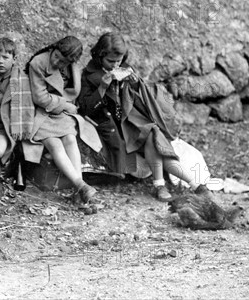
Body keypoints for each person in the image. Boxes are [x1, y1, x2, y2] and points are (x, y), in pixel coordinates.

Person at [77, 32, 212, 201]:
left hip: (132, 119)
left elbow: (138, 98)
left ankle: (184, 186)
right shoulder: (88, 75)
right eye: (110, 61)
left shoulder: (125, 67)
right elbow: (86, 107)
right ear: (99, 55)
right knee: (152, 137)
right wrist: (102, 88)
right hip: (111, 122)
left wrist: (134, 83)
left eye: (118, 61)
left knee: (152, 134)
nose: (115, 65)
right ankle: (187, 185)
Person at [25, 36, 97, 203]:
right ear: (53, 48)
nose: (57, 62)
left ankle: (79, 192)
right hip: (40, 112)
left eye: (63, 61)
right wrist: (65, 105)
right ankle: (80, 185)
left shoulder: (72, 67)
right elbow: (40, 98)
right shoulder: (38, 63)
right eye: (56, 56)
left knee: (70, 140)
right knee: (54, 144)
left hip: (60, 111)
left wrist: (66, 106)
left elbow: (73, 91)